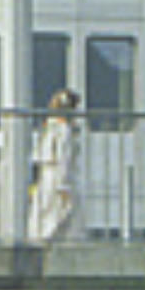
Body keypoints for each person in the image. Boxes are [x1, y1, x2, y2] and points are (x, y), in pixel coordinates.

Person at [26, 87, 82, 247]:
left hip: (45, 176)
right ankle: (48, 243)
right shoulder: (63, 130)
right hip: (57, 176)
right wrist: (63, 185)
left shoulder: (48, 128)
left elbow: (37, 157)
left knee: (42, 212)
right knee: (59, 213)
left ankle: (38, 241)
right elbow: (64, 158)